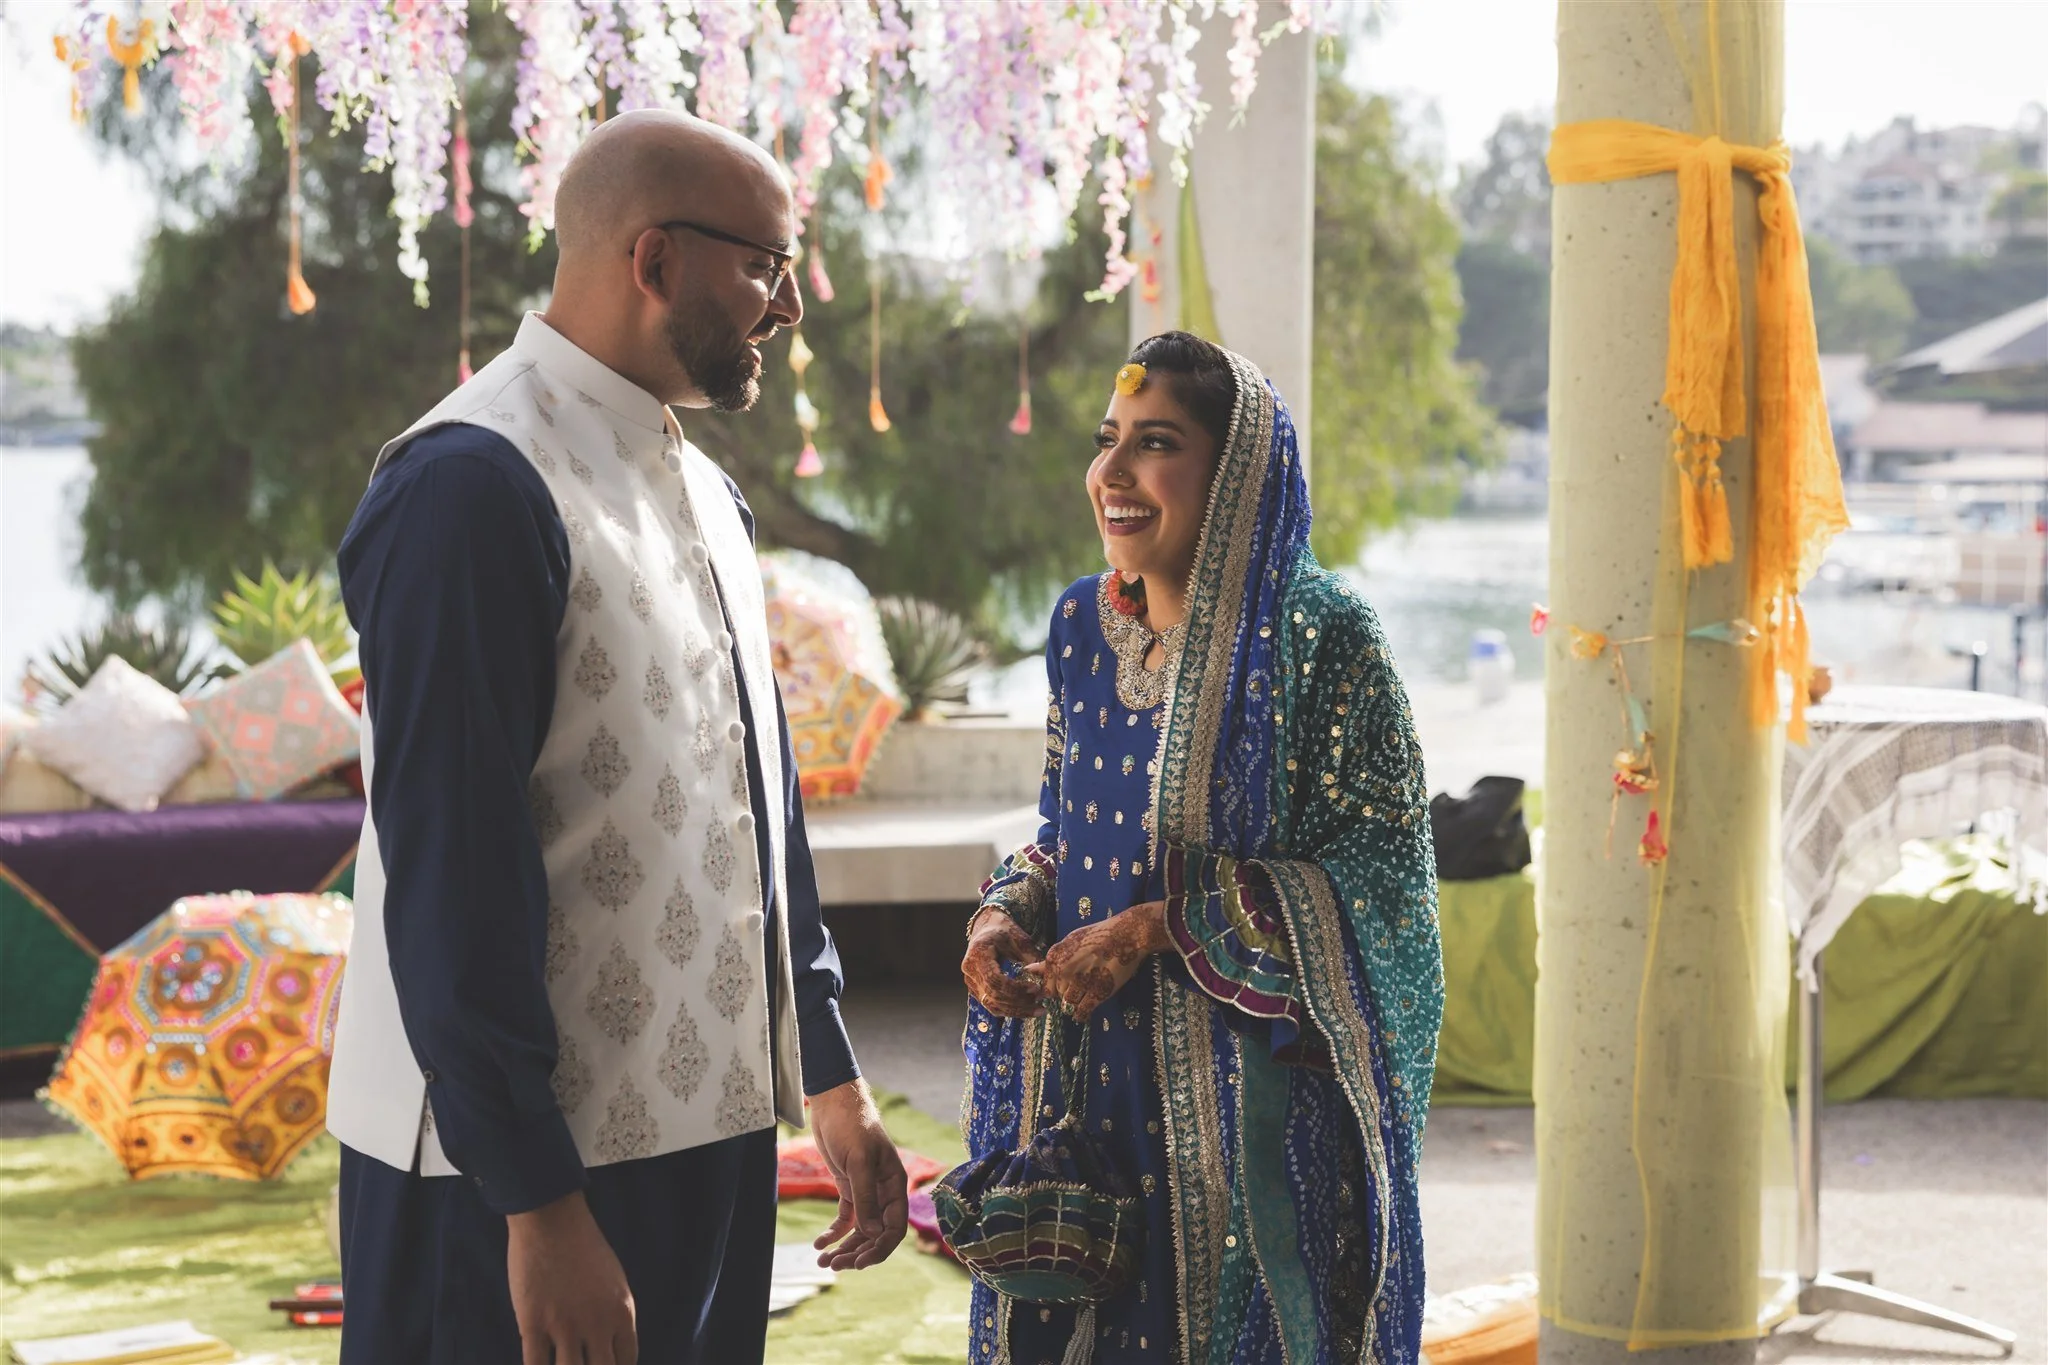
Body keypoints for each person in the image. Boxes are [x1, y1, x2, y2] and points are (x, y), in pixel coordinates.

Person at [326, 110, 908, 1365]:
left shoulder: (708, 490)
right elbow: (451, 877)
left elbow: (761, 808)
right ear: (653, 261)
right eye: (764, 264)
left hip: (708, 1133)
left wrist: (830, 1075)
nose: (786, 308)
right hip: (504, 1177)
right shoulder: (469, 485)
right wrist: (535, 1202)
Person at [959, 333, 1443, 1364]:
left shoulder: (1317, 635)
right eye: (1106, 442)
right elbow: (1064, 827)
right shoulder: (1080, 628)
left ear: (1233, 475)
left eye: (1155, 442)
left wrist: (1156, 929)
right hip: (1087, 1088)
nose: (1113, 475)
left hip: (1242, 1115)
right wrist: (1007, 907)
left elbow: (1382, 881)